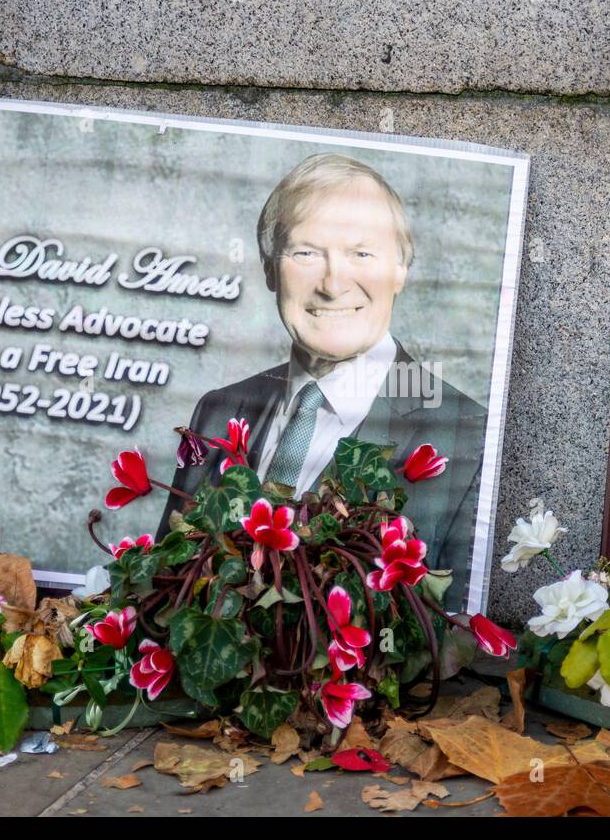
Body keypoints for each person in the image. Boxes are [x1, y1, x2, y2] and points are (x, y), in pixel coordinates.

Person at [154, 153, 487, 608]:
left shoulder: (467, 432)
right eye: (306, 252)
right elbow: (162, 591)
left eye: (361, 253)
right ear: (271, 269)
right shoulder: (219, 409)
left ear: (400, 270)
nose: (333, 283)